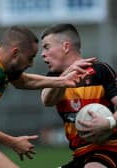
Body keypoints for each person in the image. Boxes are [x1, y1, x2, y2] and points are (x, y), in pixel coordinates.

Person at [0, 25, 88, 168]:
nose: (31, 63)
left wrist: (63, 81)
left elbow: (23, 81)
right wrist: (12, 142)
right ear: (15, 53)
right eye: (30, 58)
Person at [40, 24, 117, 168]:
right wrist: (66, 76)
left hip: (110, 150)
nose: (42, 54)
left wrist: (109, 122)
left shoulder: (100, 71)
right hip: (81, 154)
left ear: (66, 47)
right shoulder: (55, 78)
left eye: (46, 47)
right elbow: (47, 100)